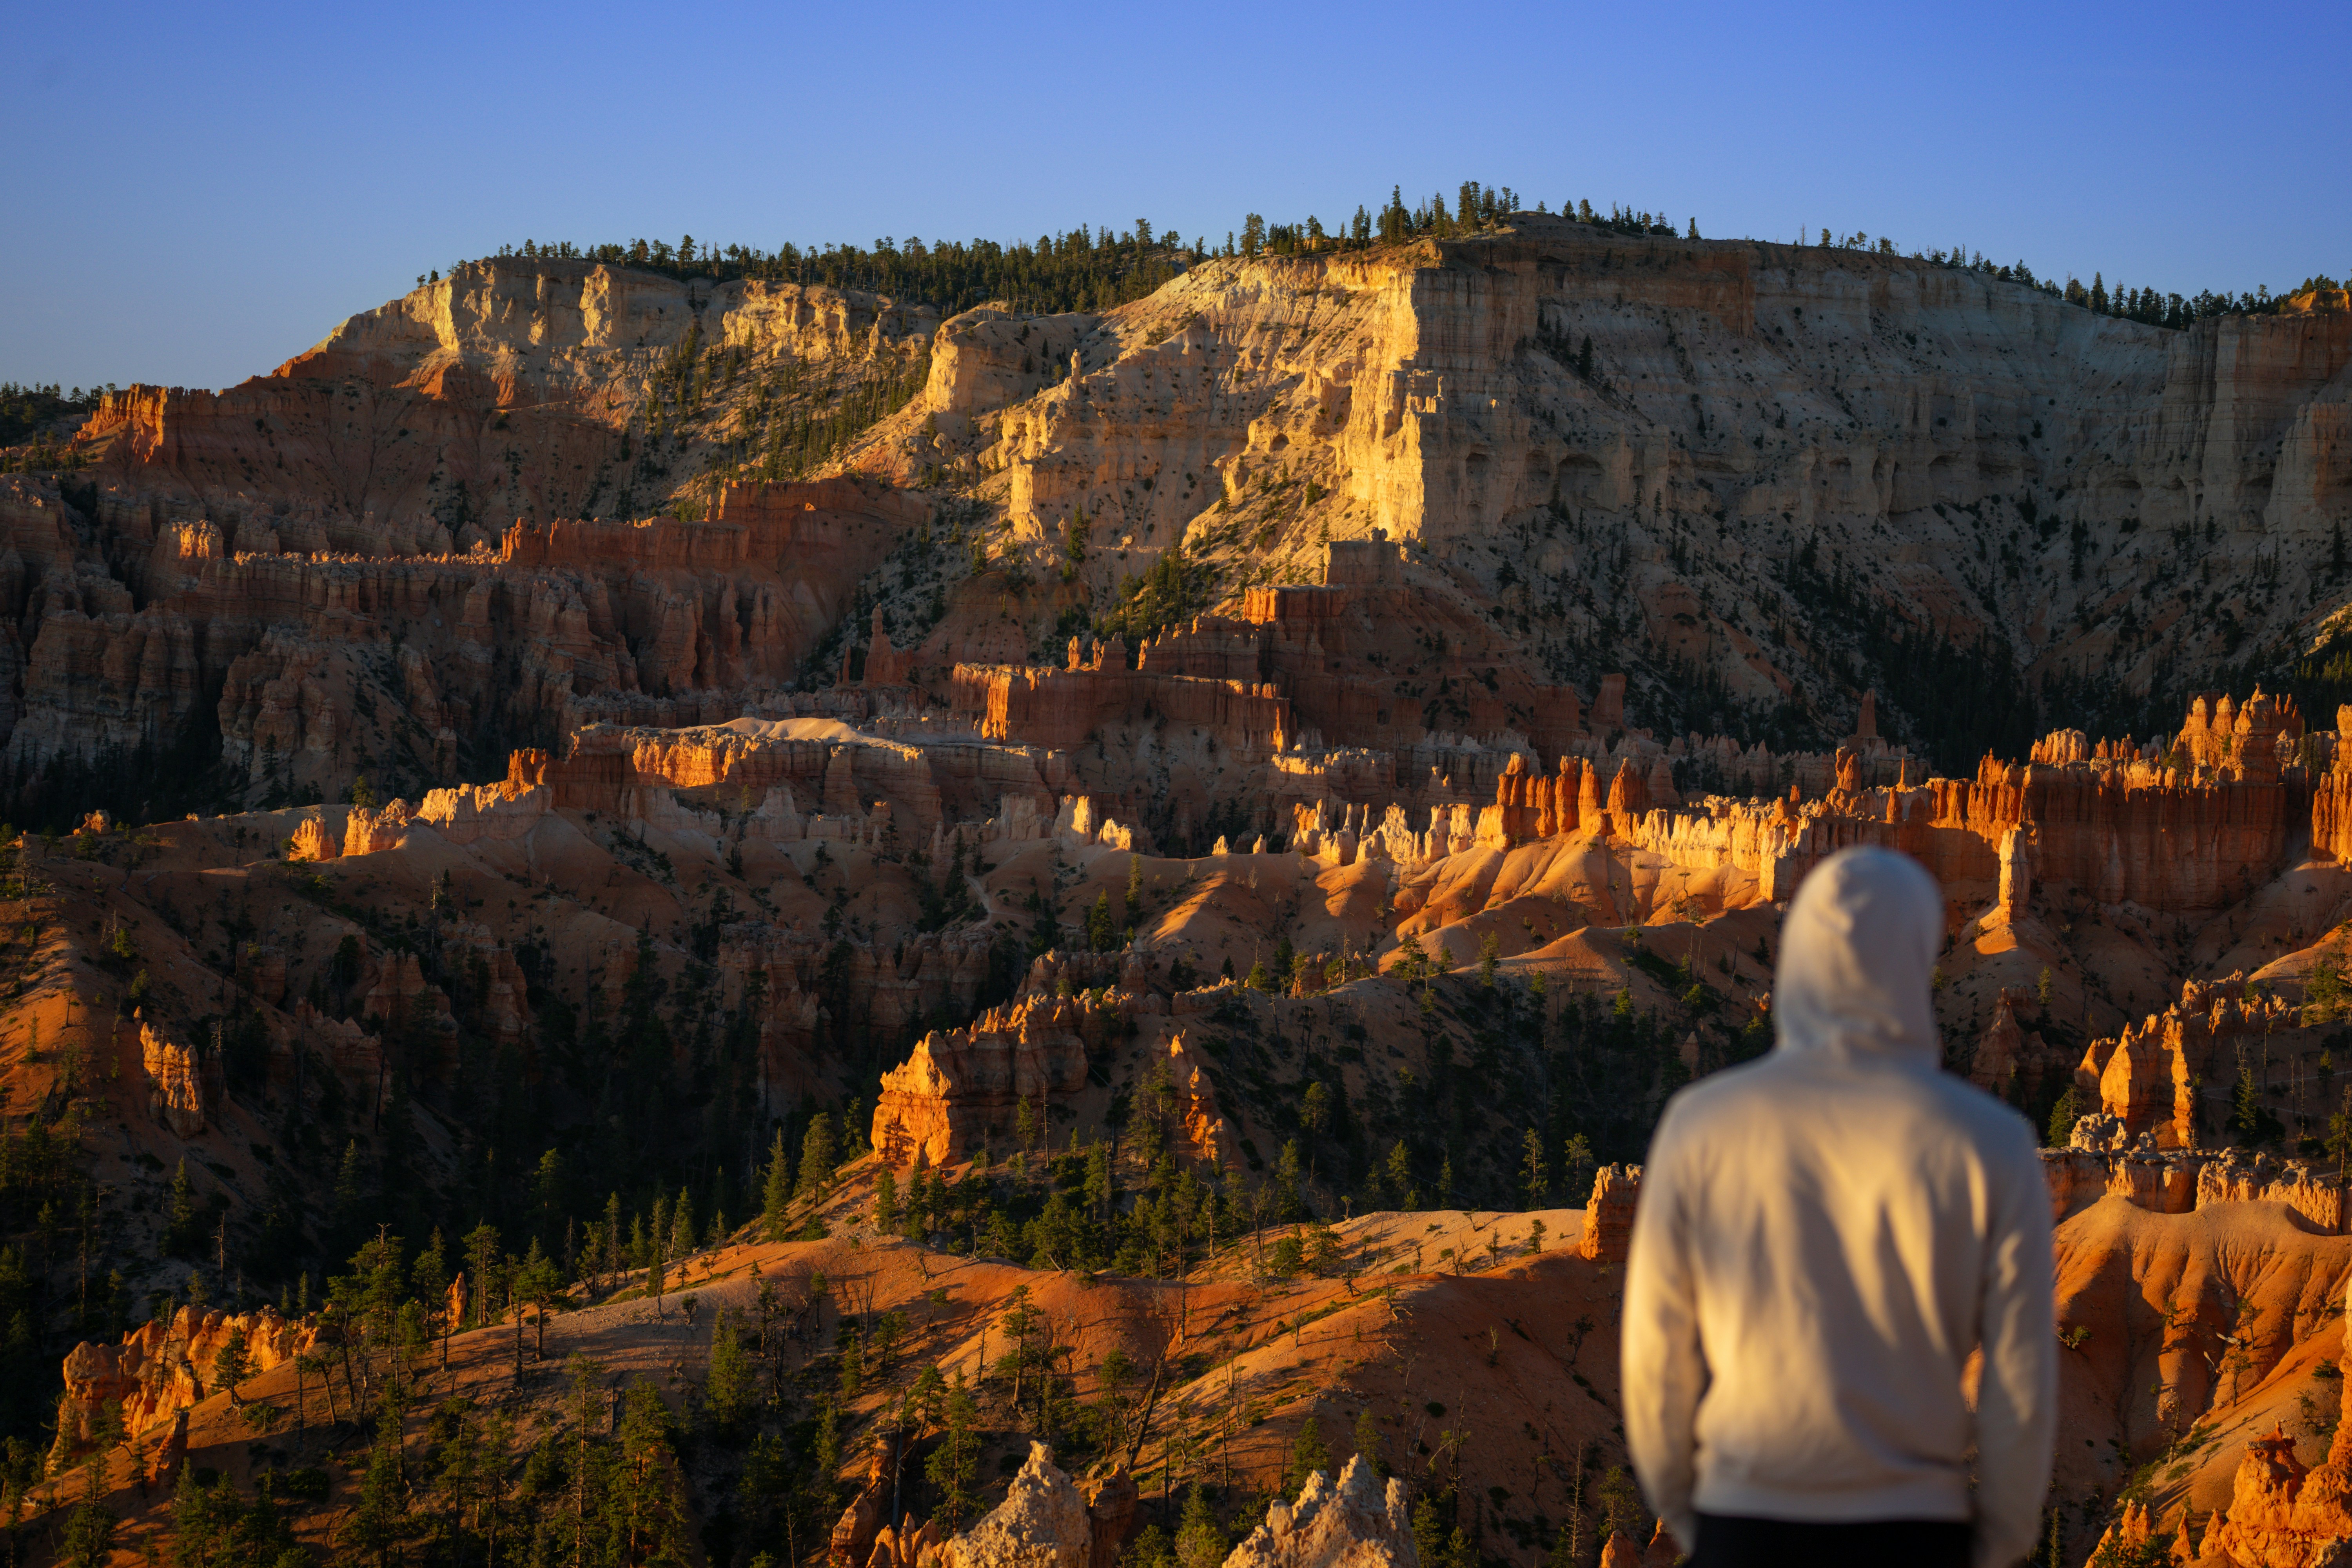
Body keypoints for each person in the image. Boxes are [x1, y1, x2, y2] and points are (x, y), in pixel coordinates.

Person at [1622, 847, 2054, 1568]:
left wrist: (1690, 1514)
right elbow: (2022, 1381)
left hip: (1746, 1517)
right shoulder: (1995, 1145)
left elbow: (1655, 1356)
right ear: (1920, 954)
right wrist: (1998, 1540)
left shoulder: (1702, 1125)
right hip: (1917, 1526)